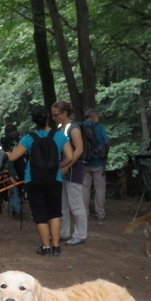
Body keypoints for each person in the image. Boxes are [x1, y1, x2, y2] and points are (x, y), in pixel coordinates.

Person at [6, 106, 71, 256]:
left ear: (33, 120)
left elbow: (13, 157)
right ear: (47, 117)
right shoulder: (60, 136)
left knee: (40, 214)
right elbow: (70, 157)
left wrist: (7, 153)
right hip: (54, 179)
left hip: (33, 180)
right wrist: (56, 167)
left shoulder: (29, 137)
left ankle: (46, 248)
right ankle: (56, 247)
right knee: (54, 213)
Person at [52, 101, 87, 246]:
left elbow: (79, 150)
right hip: (63, 168)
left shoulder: (74, 128)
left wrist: (68, 166)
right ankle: (64, 232)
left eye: (56, 115)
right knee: (63, 203)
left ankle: (80, 234)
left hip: (74, 168)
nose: (54, 117)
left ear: (65, 113)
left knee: (76, 202)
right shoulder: (60, 127)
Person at [81, 109, 110, 221]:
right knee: (100, 189)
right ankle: (100, 213)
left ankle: (84, 213)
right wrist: (104, 155)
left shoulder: (80, 127)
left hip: (84, 162)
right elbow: (107, 143)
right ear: (93, 117)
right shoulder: (100, 127)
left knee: (85, 188)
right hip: (98, 162)